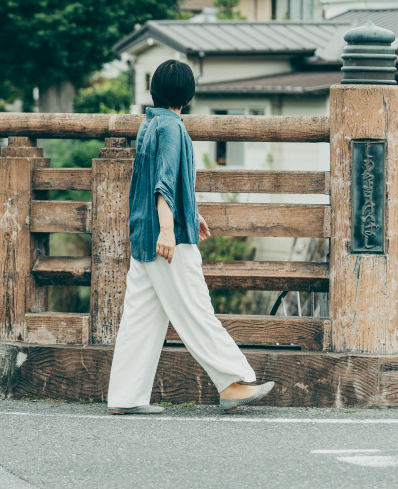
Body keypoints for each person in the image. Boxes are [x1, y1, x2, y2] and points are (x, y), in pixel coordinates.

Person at [107, 59, 275, 414]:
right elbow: (163, 183)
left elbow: (158, 178)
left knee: (140, 317)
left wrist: (191, 212)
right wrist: (169, 228)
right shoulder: (173, 128)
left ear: (155, 90)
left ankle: (124, 397)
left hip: (142, 233)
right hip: (166, 238)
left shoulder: (149, 124)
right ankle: (231, 383)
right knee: (196, 308)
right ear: (188, 94)